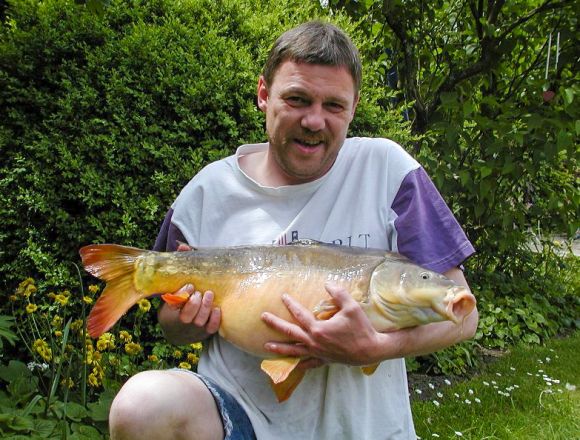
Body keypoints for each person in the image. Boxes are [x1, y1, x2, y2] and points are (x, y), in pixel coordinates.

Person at [108, 21, 478, 440]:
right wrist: (188, 320)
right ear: (264, 95)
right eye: (297, 99)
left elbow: (464, 318)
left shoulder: (388, 171)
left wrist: (375, 349)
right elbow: (171, 327)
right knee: (142, 406)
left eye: (334, 106)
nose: (314, 121)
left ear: (354, 106)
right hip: (240, 417)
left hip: (366, 429)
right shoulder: (207, 191)